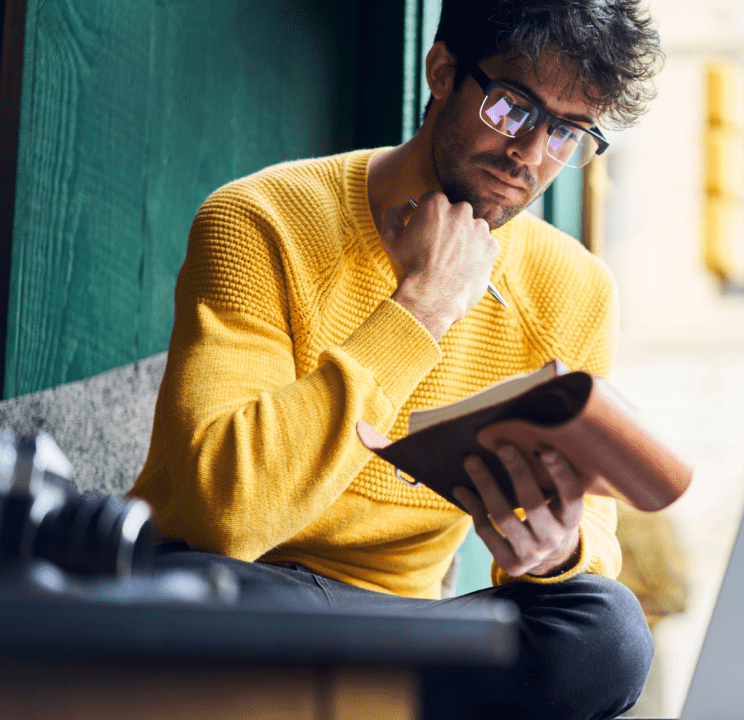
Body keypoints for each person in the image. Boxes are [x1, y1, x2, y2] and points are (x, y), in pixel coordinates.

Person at [127, 1, 664, 717]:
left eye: (566, 131)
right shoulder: (259, 220)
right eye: (514, 109)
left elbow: (588, 538)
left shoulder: (575, 290)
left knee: (606, 633)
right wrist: (420, 309)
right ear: (442, 70)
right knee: (201, 596)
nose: (531, 154)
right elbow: (227, 516)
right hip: (231, 592)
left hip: (397, 627)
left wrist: (555, 551)